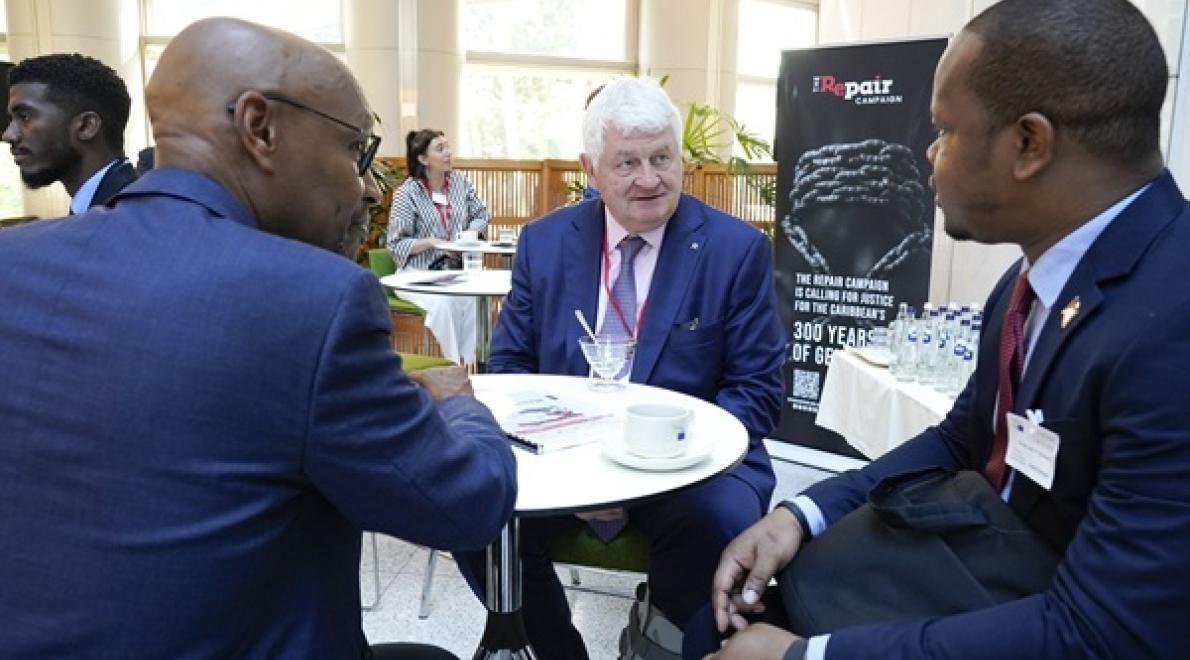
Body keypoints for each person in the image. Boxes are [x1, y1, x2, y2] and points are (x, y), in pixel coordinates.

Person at [0, 17, 517, 660]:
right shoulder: (314, 300)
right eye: (355, 151)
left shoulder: (12, 262)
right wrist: (462, 406)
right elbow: (463, 506)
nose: (365, 186)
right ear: (260, 127)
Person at [704, 1, 1190, 658]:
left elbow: (1106, 630)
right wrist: (800, 514)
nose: (929, 154)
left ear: (1028, 144)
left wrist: (805, 657)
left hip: (1052, 616)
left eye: (944, 130)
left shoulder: (1170, 327)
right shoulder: (1028, 282)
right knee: (735, 613)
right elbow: (963, 438)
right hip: (989, 566)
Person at [454, 76, 787, 659]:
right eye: (627, 163)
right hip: (564, 460)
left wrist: (646, 469)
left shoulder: (735, 250)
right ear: (590, 168)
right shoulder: (544, 244)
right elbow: (509, 372)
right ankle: (557, 650)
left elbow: (756, 392)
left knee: (716, 518)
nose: (649, 179)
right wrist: (580, 469)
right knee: (468, 506)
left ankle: (669, 647)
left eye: (662, 158)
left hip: (692, 469)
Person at [3, 52, 137, 212]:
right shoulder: (111, 207)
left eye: (24, 116)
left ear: (86, 126)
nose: (8, 135)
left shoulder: (127, 217)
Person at [386, 128, 489, 270]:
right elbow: (396, 244)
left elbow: (481, 215)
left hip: (459, 270)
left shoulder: (460, 181)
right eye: (440, 149)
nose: (448, 153)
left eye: (448, 147)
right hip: (420, 272)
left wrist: (470, 234)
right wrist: (431, 242)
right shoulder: (407, 193)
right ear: (423, 159)